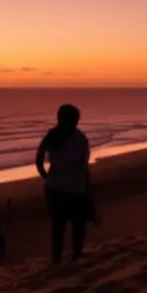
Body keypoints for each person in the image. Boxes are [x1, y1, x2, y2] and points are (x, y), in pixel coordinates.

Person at [35, 104, 95, 264]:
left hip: (55, 188)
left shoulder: (52, 136)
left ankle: (57, 258)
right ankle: (76, 255)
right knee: (78, 224)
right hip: (75, 188)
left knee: (58, 225)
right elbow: (84, 166)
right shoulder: (80, 139)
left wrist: (47, 177)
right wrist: (87, 188)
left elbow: (39, 159)